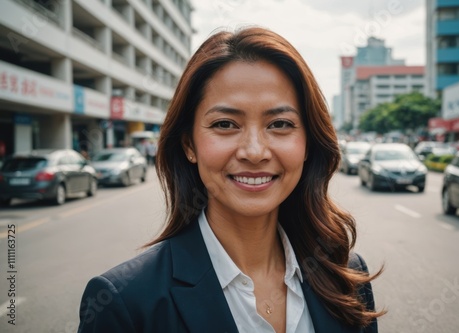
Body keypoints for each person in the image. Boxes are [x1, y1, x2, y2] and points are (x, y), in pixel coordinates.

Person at [78, 27, 384, 333]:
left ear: (308, 143)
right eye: (225, 124)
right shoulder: (126, 304)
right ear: (189, 144)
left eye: (280, 124)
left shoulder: (346, 276)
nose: (254, 152)